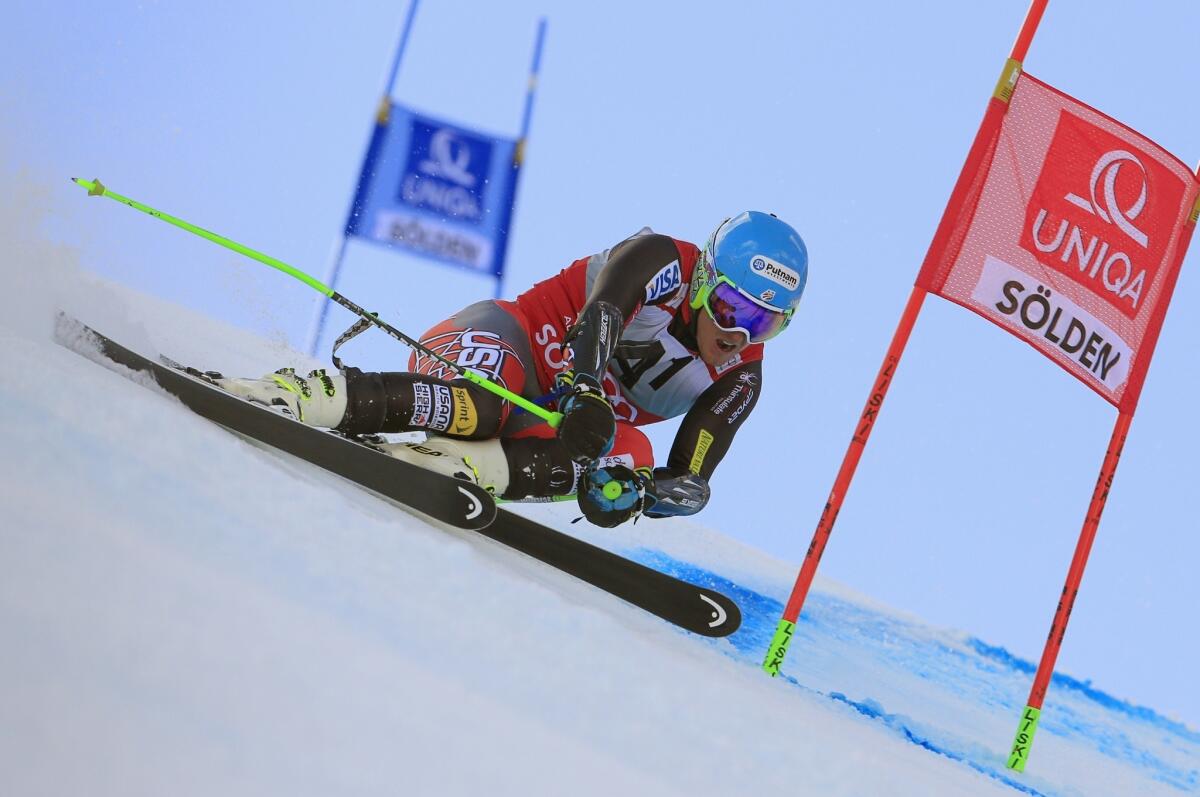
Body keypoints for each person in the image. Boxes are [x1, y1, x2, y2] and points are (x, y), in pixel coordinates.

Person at [220, 211, 808, 528]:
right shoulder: (664, 263)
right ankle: (306, 394)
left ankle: (461, 467)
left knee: (631, 453)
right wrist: (583, 387)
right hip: (498, 345)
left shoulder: (741, 377)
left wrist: (636, 495)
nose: (737, 334)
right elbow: (605, 307)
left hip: (552, 420)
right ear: (706, 282)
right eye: (733, 307)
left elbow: (690, 477)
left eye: (764, 324)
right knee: (488, 406)